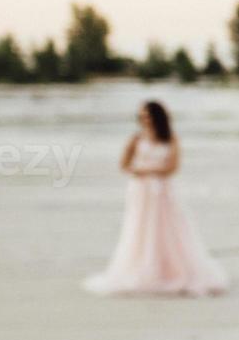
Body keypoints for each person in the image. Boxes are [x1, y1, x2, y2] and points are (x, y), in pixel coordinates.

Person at [83, 101, 229, 297]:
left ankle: (172, 269)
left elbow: (173, 167)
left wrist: (148, 170)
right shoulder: (136, 139)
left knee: (169, 228)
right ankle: (144, 270)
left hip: (162, 190)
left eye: (149, 116)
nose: (145, 120)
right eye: (142, 117)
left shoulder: (170, 138)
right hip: (140, 190)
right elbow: (124, 164)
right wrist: (141, 172)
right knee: (140, 228)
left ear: (158, 117)